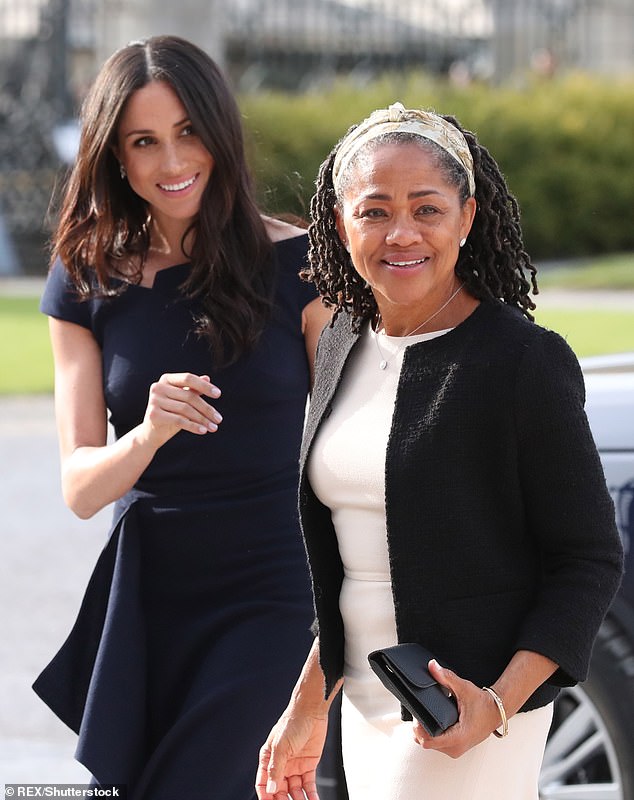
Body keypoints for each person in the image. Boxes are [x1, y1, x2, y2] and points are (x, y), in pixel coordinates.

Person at [256, 102, 624, 800]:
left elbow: (588, 558)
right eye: (374, 211)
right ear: (339, 222)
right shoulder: (339, 345)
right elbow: (356, 565)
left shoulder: (521, 362)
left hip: (463, 710)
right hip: (365, 704)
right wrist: (309, 707)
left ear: (466, 217)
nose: (401, 233)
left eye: (427, 209)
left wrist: (497, 705)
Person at [33, 35, 330, 799]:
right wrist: (147, 432)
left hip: (275, 593)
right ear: (116, 158)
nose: (172, 162)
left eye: (188, 132)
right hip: (150, 598)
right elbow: (81, 488)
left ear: (220, 133)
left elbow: (355, 445)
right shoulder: (85, 280)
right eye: (144, 142)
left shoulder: (303, 267)